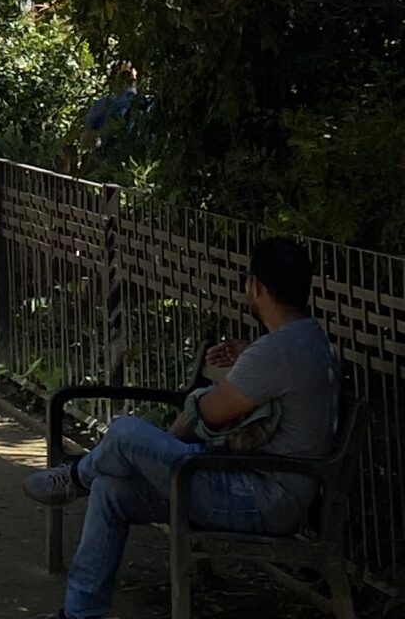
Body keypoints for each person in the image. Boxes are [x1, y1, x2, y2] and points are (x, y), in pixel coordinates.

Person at [20, 236, 341, 619]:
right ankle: (80, 613)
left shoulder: (278, 351)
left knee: (124, 433)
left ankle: (75, 477)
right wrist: (245, 360)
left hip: (259, 498)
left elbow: (208, 412)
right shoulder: (307, 339)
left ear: (256, 286)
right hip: (264, 488)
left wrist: (223, 385)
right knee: (112, 490)